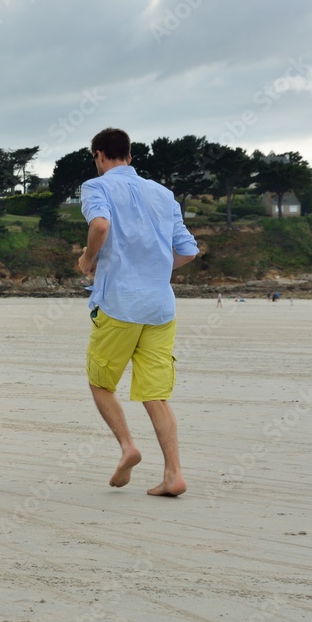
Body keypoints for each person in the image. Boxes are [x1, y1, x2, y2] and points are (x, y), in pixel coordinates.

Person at [77, 127, 198, 496]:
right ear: (129, 156)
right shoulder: (163, 194)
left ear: (99, 155)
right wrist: (155, 269)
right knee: (155, 394)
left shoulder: (96, 188)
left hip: (118, 304)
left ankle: (128, 446)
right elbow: (188, 251)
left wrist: (87, 259)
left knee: (101, 384)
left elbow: (100, 225)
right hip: (160, 307)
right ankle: (173, 474)